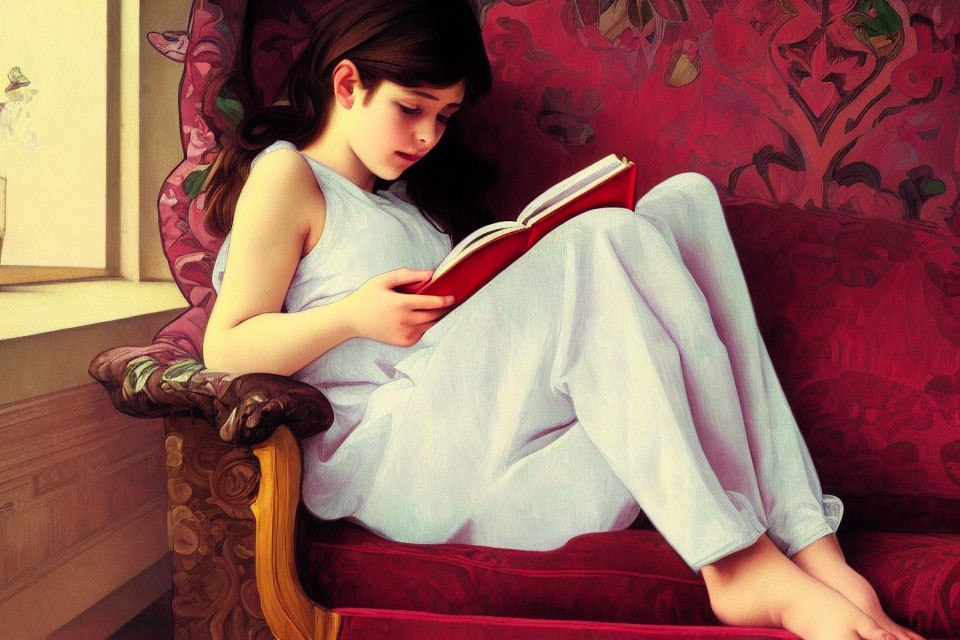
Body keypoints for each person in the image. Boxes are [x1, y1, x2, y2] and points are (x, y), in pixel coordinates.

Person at [200, 2, 923, 639]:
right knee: (598, 239)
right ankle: (735, 562)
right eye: (411, 108)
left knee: (685, 204)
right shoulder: (289, 175)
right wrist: (354, 316)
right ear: (348, 82)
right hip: (393, 471)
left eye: (444, 118)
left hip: (497, 471)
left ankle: (809, 543)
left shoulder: (409, 205)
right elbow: (226, 348)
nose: (426, 137)